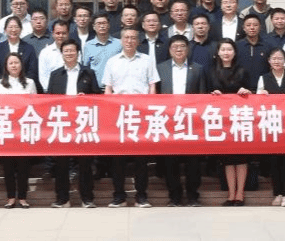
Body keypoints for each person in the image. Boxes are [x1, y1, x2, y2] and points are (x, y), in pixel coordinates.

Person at [101, 27, 159, 208]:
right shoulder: (112, 62)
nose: (129, 41)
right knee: (118, 159)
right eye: (126, 37)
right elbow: (108, 88)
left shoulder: (147, 60)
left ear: (138, 41)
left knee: (141, 158)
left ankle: (141, 196)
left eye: (133, 38)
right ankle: (119, 196)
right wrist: (109, 111)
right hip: (119, 115)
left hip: (141, 114)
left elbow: (152, 85)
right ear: (121, 40)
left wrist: (149, 109)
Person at [47, 40, 101, 208]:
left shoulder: (88, 73)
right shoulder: (55, 74)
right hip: (62, 122)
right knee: (61, 163)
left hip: (82, 122)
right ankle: (62, 199)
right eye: (66, 51)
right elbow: (49, 99)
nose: (69, 53)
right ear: (62, 54)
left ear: (78, 53)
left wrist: (87, 98)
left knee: (85, 163)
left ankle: (87, 198)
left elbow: (98, 96)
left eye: (72, 50)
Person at [156, 34, 207, 207]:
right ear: (170, 50)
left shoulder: (197, 68)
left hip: (191, 121)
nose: (179, 50)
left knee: (193, 162)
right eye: (175, 47)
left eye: (182, 46)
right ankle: (175, 196)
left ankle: (193, 196)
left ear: (188, 49)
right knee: (170, 161)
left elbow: (202, 95)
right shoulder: (161, 68)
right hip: (168, 121)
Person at [208, 39, 252, 206]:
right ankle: (231, 194)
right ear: (218, 52)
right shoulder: (211, 71)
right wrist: (213, 94)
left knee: (241, 157)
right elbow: (205, 94)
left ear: (234, 52)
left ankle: (240, 194)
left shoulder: (242, 70)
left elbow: (252, 92)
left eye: (229, 49)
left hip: (240, 118)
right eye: (223, 49)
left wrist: (246, 92)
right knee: (227, 158)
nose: (226, 52)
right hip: (221, 120)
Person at [256, 47, 285, 206]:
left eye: (280, 58)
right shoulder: (263, 78)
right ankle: (277, 194)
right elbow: (257, 100)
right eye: (274, 58)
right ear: (269, 61)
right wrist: (261, 95)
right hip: (272, 125)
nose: (277, 61)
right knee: (274, 161)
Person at [0, 53, 37, 208]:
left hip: (24, 129)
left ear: (21, 65)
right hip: (6, 129)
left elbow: (35, 104)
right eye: (10, 63)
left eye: (16, 62)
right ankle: (11, 197)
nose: (14, 65)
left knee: (24, 166)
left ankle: (23, 197)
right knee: (8, 166)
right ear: (6, 66)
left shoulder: (30, 83)